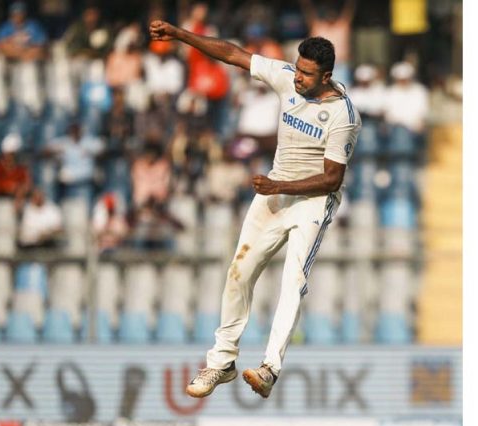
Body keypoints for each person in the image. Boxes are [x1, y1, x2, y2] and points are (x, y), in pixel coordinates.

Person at [149, 20, 361, 399]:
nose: (297, 78)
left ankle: (269, 368)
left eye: (307, 74)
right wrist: (181, 35)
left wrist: (278, 185)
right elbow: (232, 54)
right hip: (275, 193)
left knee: (294, 280)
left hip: (311, 202)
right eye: (297, 68)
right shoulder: (286, 77)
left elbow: (331, 180)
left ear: (326, 76)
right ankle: (222, 362)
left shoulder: (344, 116)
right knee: (238, 272)